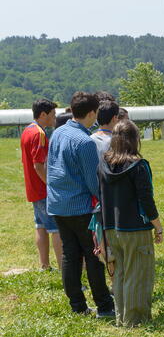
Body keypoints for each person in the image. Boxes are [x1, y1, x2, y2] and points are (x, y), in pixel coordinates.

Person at [46, 91, 115, 317]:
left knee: (70, 255)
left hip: (58, 205)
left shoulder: (58, 132)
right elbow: (93, 180)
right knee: (94, 256)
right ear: (93, 113)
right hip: (81, 208)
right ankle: (104, 306)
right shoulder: (85, 142)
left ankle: (77, 306)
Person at [98, 120, 162, 326]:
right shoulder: (139, 166)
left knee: (121, 274)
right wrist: (158, 226)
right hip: (135, 228)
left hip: (111, 228)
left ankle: (121, 317)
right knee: (138, 273)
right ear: (135, 139)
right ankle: (135, 320)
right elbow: (146, 199)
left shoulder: (103, 165)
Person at [21, 98, 62, 271]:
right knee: (56, 229)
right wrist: (50, 185)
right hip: (43, 189)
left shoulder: (27, 130)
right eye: (52, 114)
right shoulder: (40, 134)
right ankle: (63, 267)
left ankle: (45, 265)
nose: (55, 118)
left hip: (33, 189)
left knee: (41, 226)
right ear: (43, 114)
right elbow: (38, 165)